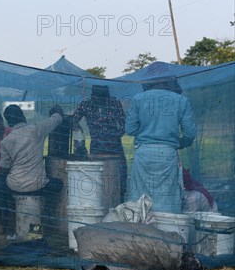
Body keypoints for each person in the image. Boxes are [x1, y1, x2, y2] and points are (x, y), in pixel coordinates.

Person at [125, 77, 197, 213]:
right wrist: (178, 143)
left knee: (139, 198)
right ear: (170, 82)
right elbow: (190, 134)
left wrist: (147, 130)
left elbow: (130, 129)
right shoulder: (181, 100)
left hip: (144, 153)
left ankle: (140, 231)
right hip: (168, 153)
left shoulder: (138, 98)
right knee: (167, 199)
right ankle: (166, 232)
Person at [0, 104, 64, 239]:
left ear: (9, 122)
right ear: (23, 116)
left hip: (15, 185)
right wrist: (56, 112)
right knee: (57, 184)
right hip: (36, 185)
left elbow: (3, 169)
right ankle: (44, 219)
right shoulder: (36, 130)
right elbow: (56, 119)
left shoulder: (6, 141)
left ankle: (16, 228)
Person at [71, 85, 127, 200]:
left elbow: (123, 123)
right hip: (97, 144)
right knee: (97, 174)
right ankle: (100, 201)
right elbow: (73, 120)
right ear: (93, 97)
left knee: (120, 175)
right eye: (98, 99)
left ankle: (119, 202)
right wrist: (79, 132)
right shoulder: (86, 104)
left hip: (114, 145)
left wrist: (115, 137)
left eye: (103, 99)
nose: (101, 101)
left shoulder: (114, 103)